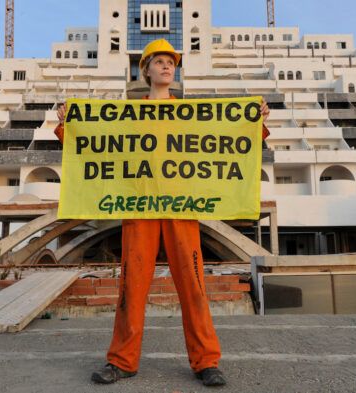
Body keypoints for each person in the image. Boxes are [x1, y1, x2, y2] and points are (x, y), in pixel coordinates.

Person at [54, 38, 270, 387]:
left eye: (171, 62)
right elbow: (94, 144)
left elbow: (226, 140)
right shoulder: (129, 114)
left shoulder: (189, 116)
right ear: (147, 70)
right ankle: (122, 360)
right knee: (131, 286)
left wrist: (253, 120)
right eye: (159, 61)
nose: (167, 66)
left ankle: (206, 361)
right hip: (140, 208)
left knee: (194, 286)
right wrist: (69, 124)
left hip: (181, 208)